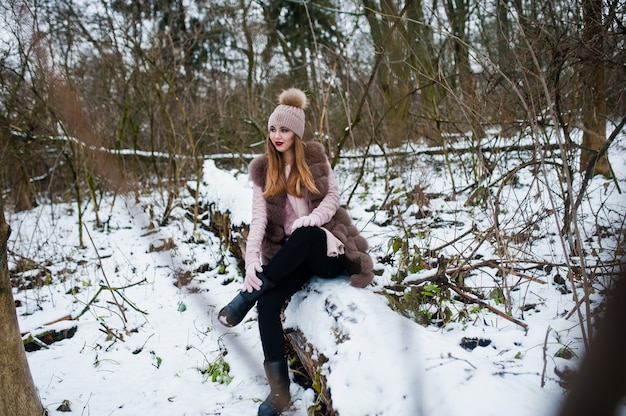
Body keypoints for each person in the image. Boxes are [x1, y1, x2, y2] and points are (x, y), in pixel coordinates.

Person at [218, 87, 374, 416]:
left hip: (327, 250)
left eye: (284, 129)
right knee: (268, 302)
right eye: (273, 129)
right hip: (293, 258)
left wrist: (311, 220)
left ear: (297, 133)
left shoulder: (315, 159)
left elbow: (331, 200)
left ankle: (244, 298)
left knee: (304, 233)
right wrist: (250, 267)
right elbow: (258, 222)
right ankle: (280, 394)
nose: (277, 135)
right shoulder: (264, 171)